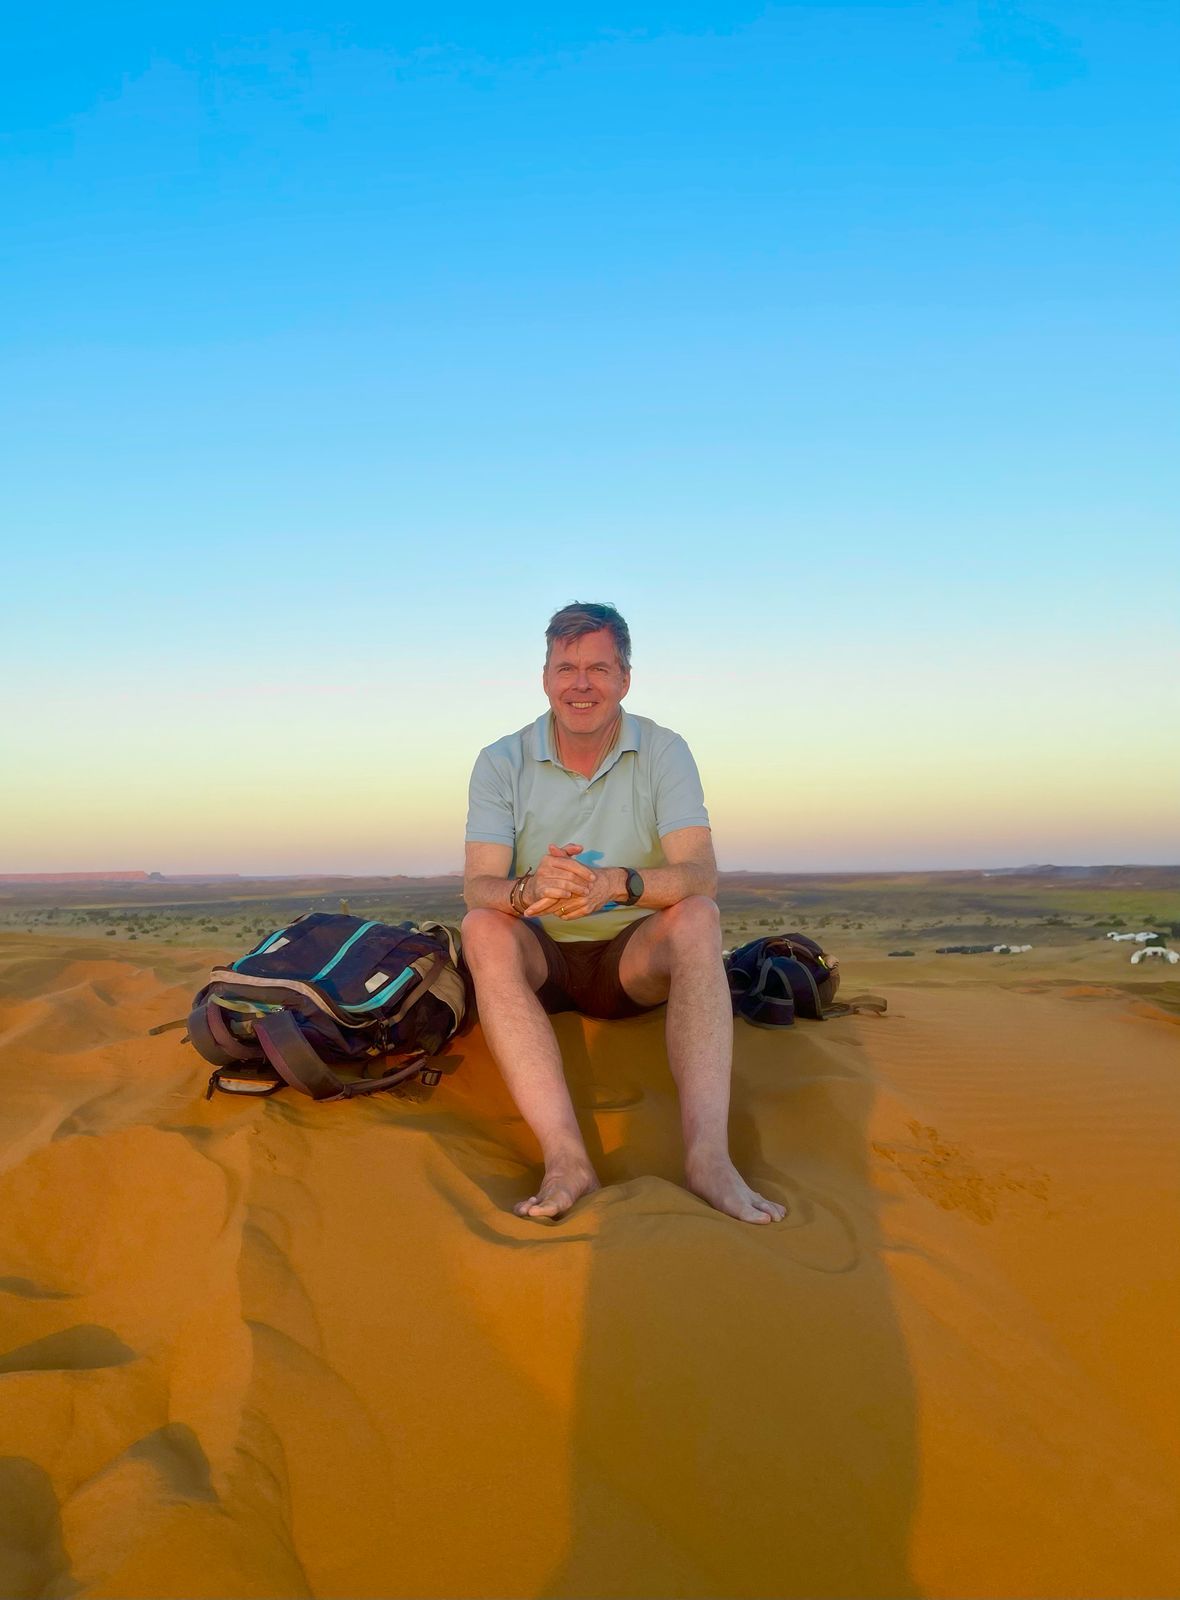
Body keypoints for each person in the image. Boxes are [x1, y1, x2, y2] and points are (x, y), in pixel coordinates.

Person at [461, 601, 786, 1226]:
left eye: (599, 668)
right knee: (483, 928)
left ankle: (709, 1158)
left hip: (629, 960)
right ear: (546, 676)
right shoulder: (500, 760)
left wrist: (620, 883)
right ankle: (566, 1159)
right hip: (543, 957)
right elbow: (479, 887)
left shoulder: (665, 751)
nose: (581, 683)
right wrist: (527, 891)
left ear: (625, 678)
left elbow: (701, 875)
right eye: (567, 667)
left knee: (698, 918)